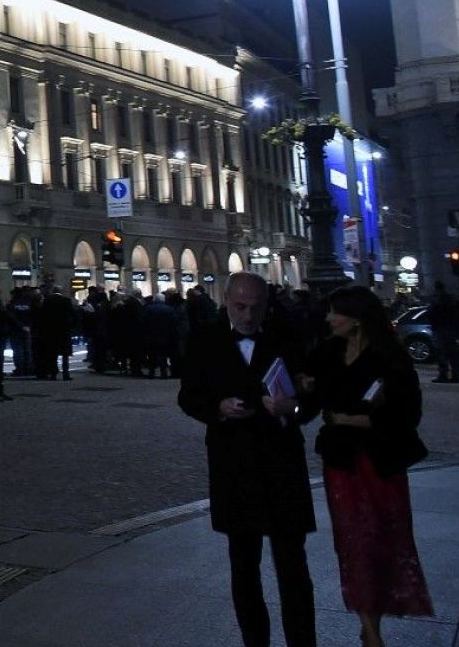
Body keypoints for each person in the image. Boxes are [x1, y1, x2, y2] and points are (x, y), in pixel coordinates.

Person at [178, 271, 318, 647]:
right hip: (233, 463)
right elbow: (188, 396)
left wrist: (296, 406)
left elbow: (313, 395)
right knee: (243, 567)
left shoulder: (287, 337)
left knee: (293, 569)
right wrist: (218, 408)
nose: (248, 315)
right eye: (240, 306)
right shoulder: (206, 339)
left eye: (256, 307)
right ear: (226, 301)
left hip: (282, 463)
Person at [305, 287, 433, 646]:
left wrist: (358, 420)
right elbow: (308, 401)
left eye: (334, 312)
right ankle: (372, 630)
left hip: (382, 459)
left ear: (357, 317)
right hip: (342, 462)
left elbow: (408, 413)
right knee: (353, 540)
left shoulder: (390, 357)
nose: (328, 319)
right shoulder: (326, 353)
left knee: (385, 537)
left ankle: (373, 620)